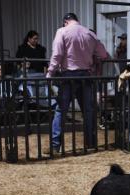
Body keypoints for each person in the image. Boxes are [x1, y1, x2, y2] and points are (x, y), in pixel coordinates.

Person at [46, 12, 108, 152]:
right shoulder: (89, 33)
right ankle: (91, 144)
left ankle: (55, 146)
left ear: (65, 21)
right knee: (88, 110)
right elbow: (103, 54)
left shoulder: (62, 31)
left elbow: (57, 55)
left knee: (61, 110)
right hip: (86, 75)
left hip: (68, 76)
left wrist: (50, 73)